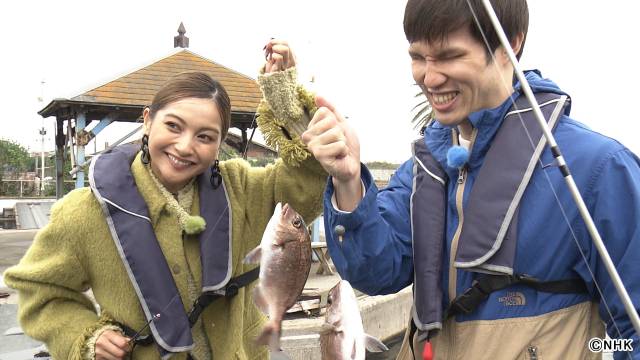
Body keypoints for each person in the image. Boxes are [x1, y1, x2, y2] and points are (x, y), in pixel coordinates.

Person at [295, 0, 640, 359]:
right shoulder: (423, 166)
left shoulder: (600, 169)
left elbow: (632, 333)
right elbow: (376, 272)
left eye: (449, 56)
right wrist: (348, 182)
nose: (429, 77)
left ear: (511, 44)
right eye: (418, 56)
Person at [4, 43, 326, 360]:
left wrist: (287, 105)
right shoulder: (83, 213)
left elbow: (308, 182)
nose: (185, 146)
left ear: (220, 143)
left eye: (205, 136)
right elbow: (38, 291)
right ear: (147, 121)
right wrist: (86, 337)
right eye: (173, 126)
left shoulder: (243, 190)